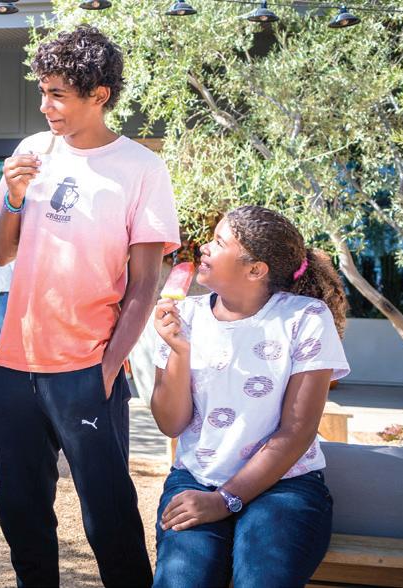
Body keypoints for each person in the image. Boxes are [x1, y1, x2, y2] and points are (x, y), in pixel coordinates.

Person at [0, 26, 180, 587]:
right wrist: (14, 198)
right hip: (13, 365)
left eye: (58, 95)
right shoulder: (32, 151)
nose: (45, 106)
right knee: (21, 513)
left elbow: (144, 283)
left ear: (100, 95)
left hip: (87, 367)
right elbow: (1, 251)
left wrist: (110, 365)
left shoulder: (141, 168)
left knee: (108, 514)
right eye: (42, 92)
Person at [150, 206, 349, 588]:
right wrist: (178, 350)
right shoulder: (184, 316)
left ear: (256, 269)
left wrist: (224, 500)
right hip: (197, 479)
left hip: (285, 485)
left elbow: (297, 431)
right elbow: (170, 423)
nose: (204, 248)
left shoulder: (305, 318)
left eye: (219, 242)